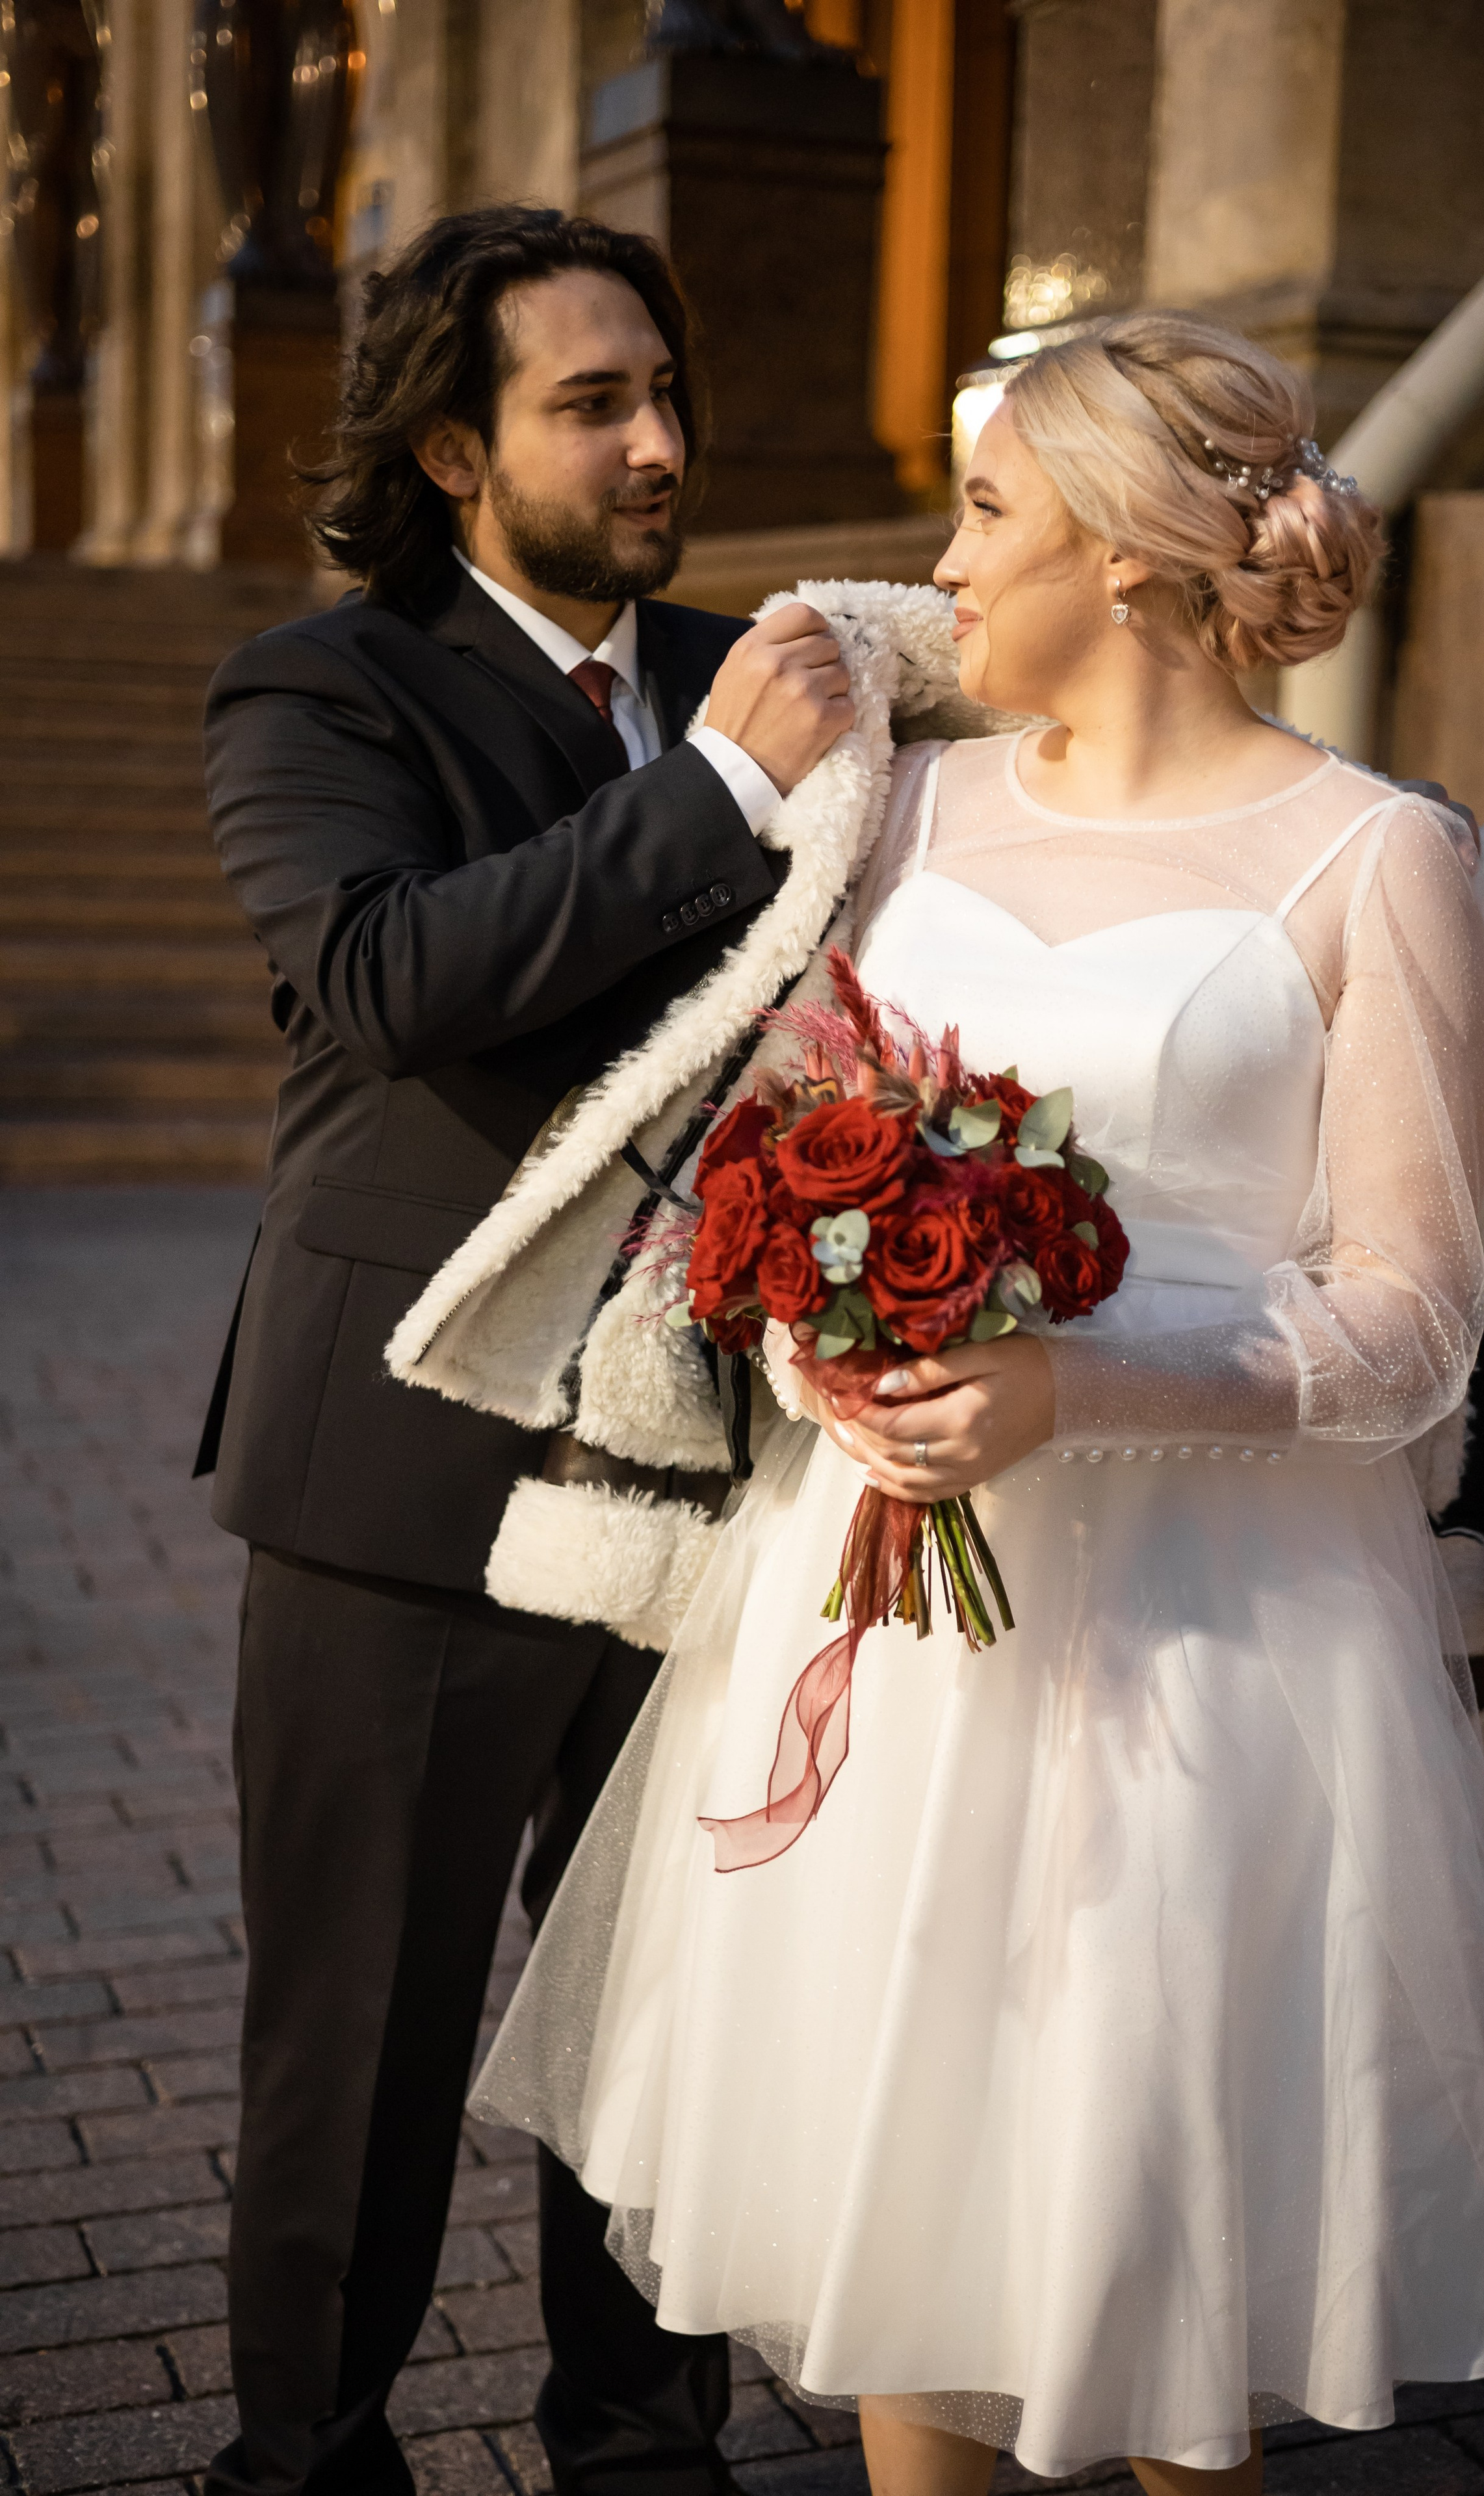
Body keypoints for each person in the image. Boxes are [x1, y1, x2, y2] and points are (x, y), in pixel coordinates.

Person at [462, 315, 1484, 2493]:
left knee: (1177, 2205)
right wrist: (820, 1330)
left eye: (988, 509)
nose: (948, 558)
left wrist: (1068, 1389)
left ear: (1131, 547)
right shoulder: (900, 812)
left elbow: (1406, 1320)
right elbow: (786, 1145)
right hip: (884, 1616)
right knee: (910, 2185)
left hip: (1231, 1634)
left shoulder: (1385, 861)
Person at [194, 203, 853, 2496]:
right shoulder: (319, 688)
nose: (661, 441)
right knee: (360, 2051)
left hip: (715, 1469)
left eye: (668, 391)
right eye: (596, 405)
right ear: (456, 450)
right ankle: (303, 2459)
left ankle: (644, 2450)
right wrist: (722, 801)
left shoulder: (753, 659)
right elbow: (387, 974)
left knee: (664, 2024)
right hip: (410, 1485)